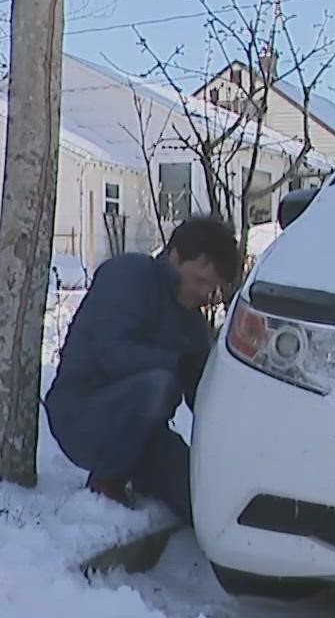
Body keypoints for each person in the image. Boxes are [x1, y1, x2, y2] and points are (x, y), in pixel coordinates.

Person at [44, 216, 242, 523]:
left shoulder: (192, 323)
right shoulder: (129, 275)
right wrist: (175, 362)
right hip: (82, 415)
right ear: (174, 257)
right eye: (199, 281)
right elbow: (112, 354)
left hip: (144, 434)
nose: (204, 294)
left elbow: (205, 398)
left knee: (207, 504)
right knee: (160, 385)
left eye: (212, 288)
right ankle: (106, 483)